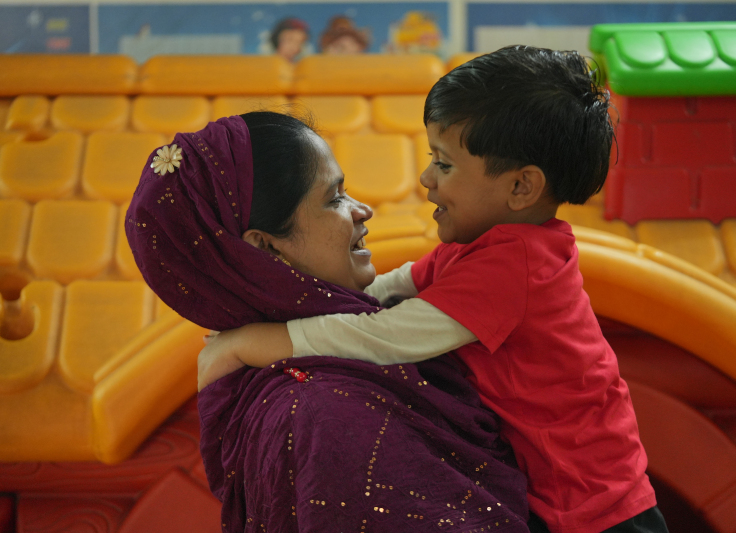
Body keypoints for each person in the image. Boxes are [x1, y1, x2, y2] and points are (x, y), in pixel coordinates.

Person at [198, 48, 670, 533]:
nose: (426, 180)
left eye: (443, 165)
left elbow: (388, 335)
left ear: (522, 187)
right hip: (565, 498)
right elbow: (388, 289)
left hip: (600, 510)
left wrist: (256, 342)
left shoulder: (514, 267)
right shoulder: (488, 249)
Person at [125, 111, 532, 531]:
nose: (363, 210)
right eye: (334, 198)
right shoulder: (324, 414)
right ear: (264, 249)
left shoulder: (294, 362)